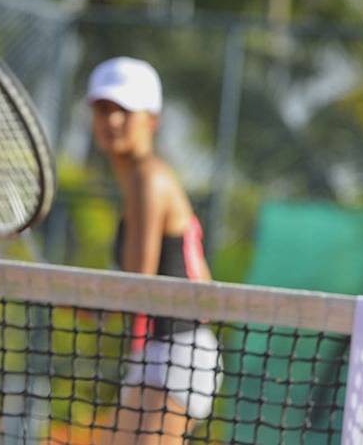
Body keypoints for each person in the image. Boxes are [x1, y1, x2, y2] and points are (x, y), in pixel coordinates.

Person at [83, 58, 222, 444]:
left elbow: (136, 287)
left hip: (181, 353)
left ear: (152, 120)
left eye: (124, 111)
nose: (111, 121)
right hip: (152, 353)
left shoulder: (149, 179)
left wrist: (76, 297)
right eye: (103, 109)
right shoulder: (133, 184)